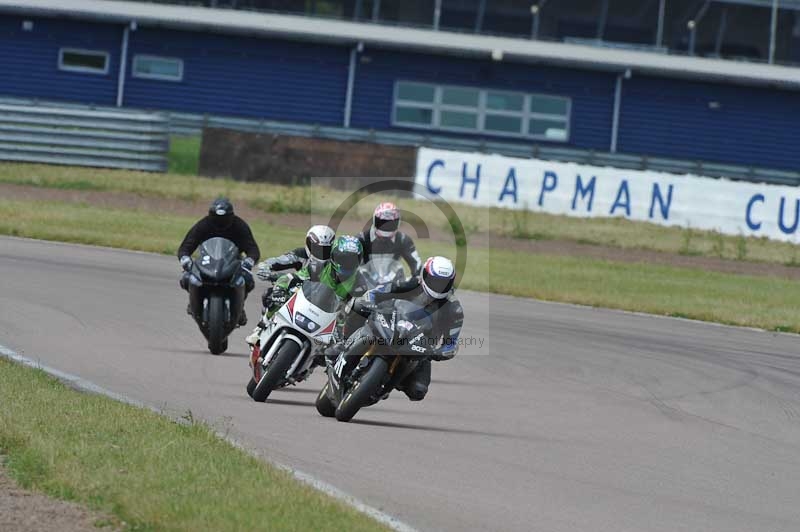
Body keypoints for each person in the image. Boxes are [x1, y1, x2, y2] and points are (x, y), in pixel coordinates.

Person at [332, 256, 463, 402]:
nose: (438, 286)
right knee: (358, 306)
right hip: (393, 324)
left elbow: (451, 341)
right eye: (435, 280)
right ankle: (344, 343)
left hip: (420, 347)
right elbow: (383, 290)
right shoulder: (412, 283)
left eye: (443, 283)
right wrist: (370, 300)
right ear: (425, 275)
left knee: (418, 391)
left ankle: (386, 385)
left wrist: (441, 352)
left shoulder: (454, 309)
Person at [246, 235, 364, 346]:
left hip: (330, 322)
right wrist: (279, 290)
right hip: (305, 304)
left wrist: (344, 327)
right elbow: (291, 277)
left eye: (352, 260)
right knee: (275, 296)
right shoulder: (319, 266)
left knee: (335, 350)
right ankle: (261, 328)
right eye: (342, 259)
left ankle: (314, 366)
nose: (346, 264)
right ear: (333, 256)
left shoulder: (359, 283)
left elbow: (356, 312)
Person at [178, 197, 260, 326]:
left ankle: (239, 306)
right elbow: (186, 246)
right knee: (186, 279)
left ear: (231, 217)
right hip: (207, 263)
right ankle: (194, 302)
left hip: (231, 264)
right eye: (217, 219)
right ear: (211, 216)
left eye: (224, 219)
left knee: (248, 280)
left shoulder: (239, 226)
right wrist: (185, 259)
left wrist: (249, 261)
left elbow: (252, 249)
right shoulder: (203, 225)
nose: (220, 223)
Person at [255, 225, 336, 315]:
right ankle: (264, 323)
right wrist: (265, 267)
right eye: (317, 248)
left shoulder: (335, 262)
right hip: (299, 293)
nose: (321, 252)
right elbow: (279, 260)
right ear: (308, 244)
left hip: (324, 300)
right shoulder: (300, 254)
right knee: (269, 295)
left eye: (325, 249)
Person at [358, 202, 422, 277]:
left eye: (390, 223)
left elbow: (417, 264)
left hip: (393, 284)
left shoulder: (403, 240)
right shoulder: (362, 239)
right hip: (365, 284)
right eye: (382, 222)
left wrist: (416, 279)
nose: (386, 226)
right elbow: (349, 266)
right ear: (375, 220)